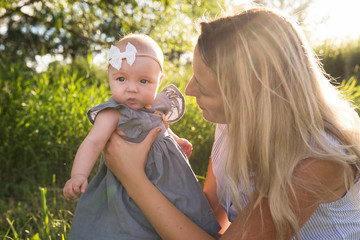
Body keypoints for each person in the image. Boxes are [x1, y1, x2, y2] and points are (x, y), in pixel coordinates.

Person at [103, 5, 360, 240]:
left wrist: (133, 177)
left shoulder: (317, 160)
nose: (189, 90)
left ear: (250, 98)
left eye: (203, 86)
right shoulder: (231, 124)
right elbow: (211, 214)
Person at [63, 33, 220, 239]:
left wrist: (176, 139)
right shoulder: (113, 113)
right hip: (127, 187)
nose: (132, 88)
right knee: (132, 225)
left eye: (144, 81)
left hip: (169, 181)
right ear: (109, 74)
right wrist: (78, 175)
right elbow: (92, 143)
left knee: (174, 214)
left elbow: (161, 128)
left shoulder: (156, 107)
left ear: (159, 80)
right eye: (121, 79)